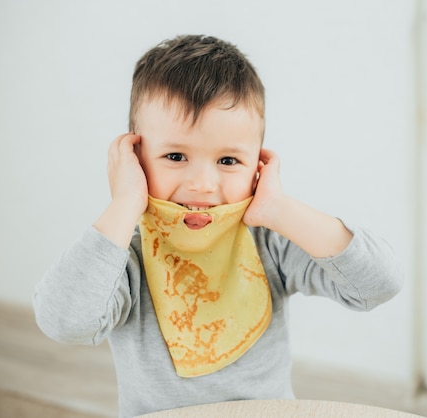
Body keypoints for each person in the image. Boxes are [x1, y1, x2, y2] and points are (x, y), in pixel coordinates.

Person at [33, 34, 402, 418]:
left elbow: (379, 284)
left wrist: (279, 209)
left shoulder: (270, 242)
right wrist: (125, 203)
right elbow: (64, 322)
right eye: (175, 155)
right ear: (136, 159)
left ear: (258, 165)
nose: (203, 184)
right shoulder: (124, 257)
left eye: (228, 161)